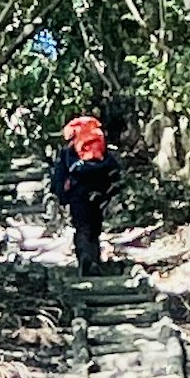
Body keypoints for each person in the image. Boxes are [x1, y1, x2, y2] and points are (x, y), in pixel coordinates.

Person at [54, 108, 112, 272]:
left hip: (78, 194)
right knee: (94, 227)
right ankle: (95, 260)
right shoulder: (101, 149)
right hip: (99, 192)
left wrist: (62, 197)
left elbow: (59, 175)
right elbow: (113, 169)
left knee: (82, 227)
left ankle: (86, 259)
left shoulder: (68, 152)